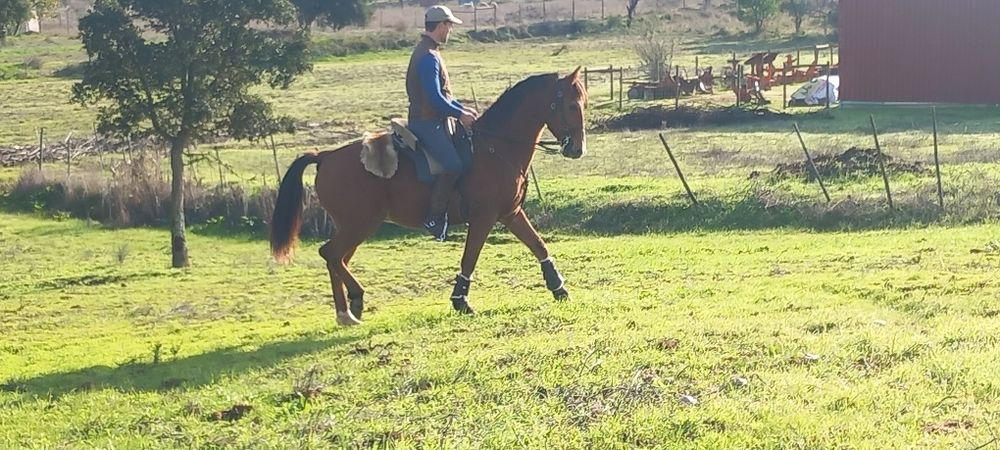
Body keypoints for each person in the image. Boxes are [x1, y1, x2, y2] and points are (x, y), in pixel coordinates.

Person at [405, 5, 478, 241]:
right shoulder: (428, 57)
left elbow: (443, 96)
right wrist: (459, 115)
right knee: (453, 165)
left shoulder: (430, 52)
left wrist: (462, 108)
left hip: (433, 119)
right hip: (427, 123)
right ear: (441, 26)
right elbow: (435, 99)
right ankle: (435, 217)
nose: (451, 31)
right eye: (449, 26)